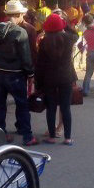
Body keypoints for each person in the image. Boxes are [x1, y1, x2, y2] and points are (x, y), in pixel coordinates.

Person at [0, 0, 38, 146]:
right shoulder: (20, 32)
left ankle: (0, 132)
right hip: (16, 74)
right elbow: (26, 56)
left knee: (0, 103)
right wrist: (30, 73)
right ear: (20, 14)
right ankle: (27, 136)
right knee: (22, 104)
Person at [35, 13, 77, 146]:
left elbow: (40, 65)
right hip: (66, 77)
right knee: (65, 107)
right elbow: (75, 34)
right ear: (61, 27)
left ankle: (52, 137)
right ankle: (68, 138)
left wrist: (38, 83)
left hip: (49, 78)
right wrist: (65, 22)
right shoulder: (69, 39)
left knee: (51, 107)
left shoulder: (43, 42)